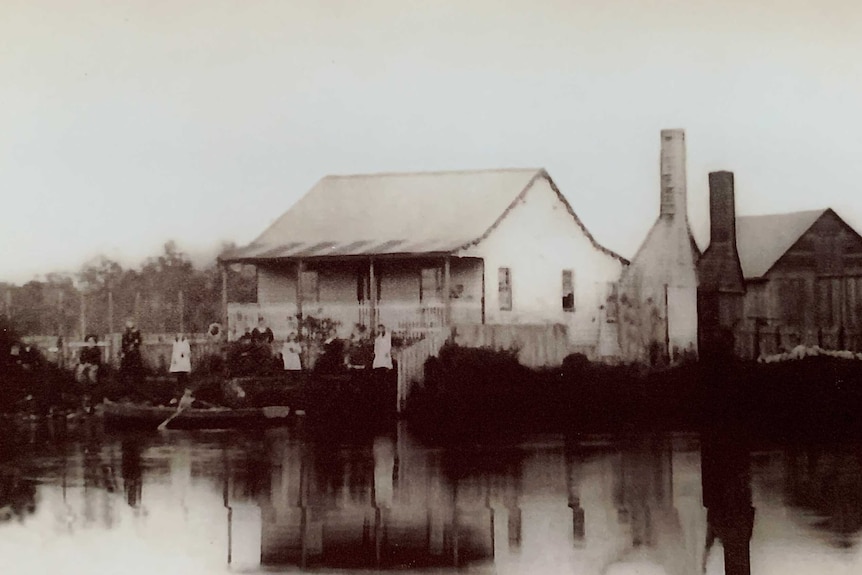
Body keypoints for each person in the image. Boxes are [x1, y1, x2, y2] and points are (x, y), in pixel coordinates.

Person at [120, 319, 143, 383]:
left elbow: (138, 341)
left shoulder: (136, 332)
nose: (129, 324)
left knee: (135, 364)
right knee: (125, 364)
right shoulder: (125, 333)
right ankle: (126, 378)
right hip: (126, 351)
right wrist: (123, 351)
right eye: (128, 322)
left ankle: (136, 378)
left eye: (130, 322)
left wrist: (133, 345)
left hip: (134, 351)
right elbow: (123, 343)